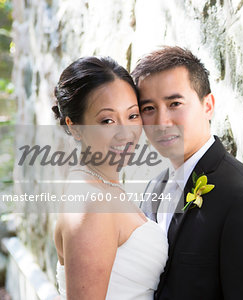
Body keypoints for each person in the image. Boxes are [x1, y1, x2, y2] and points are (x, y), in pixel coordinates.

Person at [132, 46, 243, 299]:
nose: (161, 122)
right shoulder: (154, 188)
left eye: (175, 103)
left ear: (208, 105)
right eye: (149, 108)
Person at [52, 56, 168, 299]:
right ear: (74, 127)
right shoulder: (92, 203)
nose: (125, 133)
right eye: (107, 120)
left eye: (133, 116)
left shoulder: (104, 186)